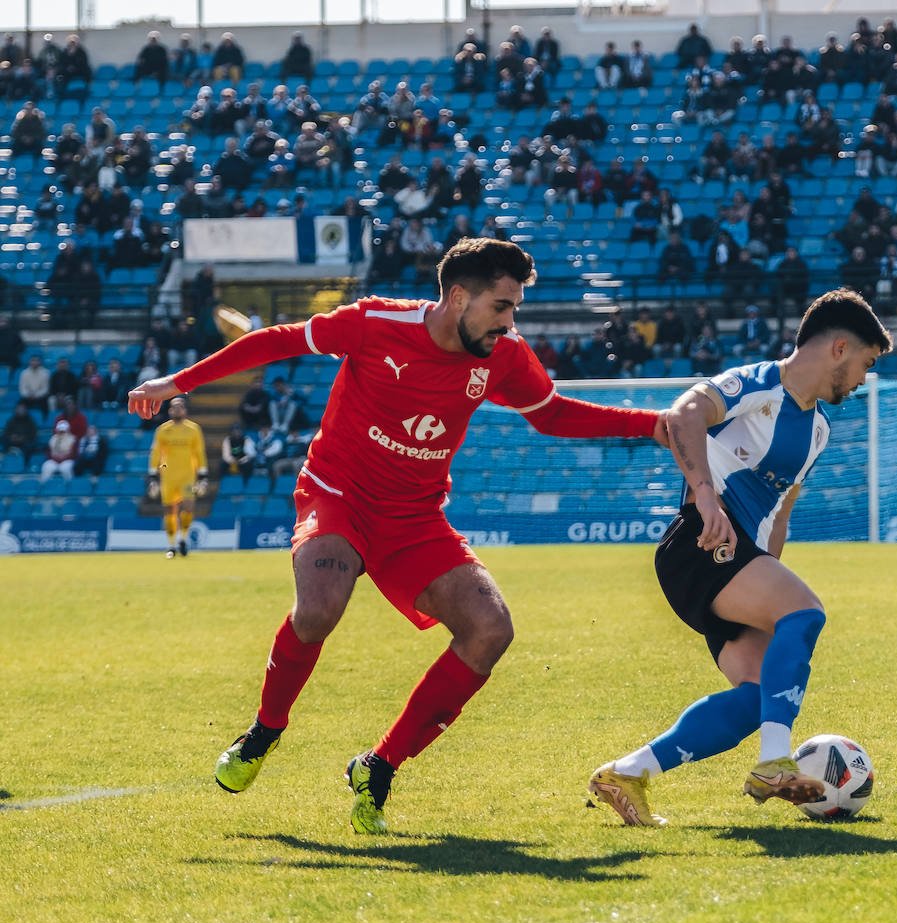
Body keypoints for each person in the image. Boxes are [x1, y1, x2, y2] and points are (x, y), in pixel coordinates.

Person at [126, 238, 668, 835]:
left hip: (414, 517)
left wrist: (655, 424)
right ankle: (265, 730)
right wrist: (176, 382)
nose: (510, 322)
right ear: (457, 297)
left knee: (491, 629)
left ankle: (378, 766)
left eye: (515, 308)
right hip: (339, 495)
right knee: (319, 610)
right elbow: (279, 340)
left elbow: (552, 413)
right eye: (500, 306)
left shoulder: (504, 355)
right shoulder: (375, 323)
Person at [587, 290, 893, 827]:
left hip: (738, 560)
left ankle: (628, 772)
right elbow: (684, 414)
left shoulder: (818, 429)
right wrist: (704, 496)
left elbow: (778, 515)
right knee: (807, 612)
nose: (864, 379)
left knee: (758, 697)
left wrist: (768, 582)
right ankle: (775, 763)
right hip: (700, 545)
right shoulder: (759, 383)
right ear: (840, 348)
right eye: (866, 364)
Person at [148, 395, 208, 558]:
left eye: (180, 406)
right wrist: (153, 474)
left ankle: (183, 538)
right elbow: (156, 453)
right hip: (168, 476)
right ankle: (171, 544)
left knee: (188, 507)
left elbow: (199, 452)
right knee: (170, 510)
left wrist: (203, 474)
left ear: (185, 410)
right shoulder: (163, 430)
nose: (177, 409)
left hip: (188, 475)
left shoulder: (193, 429)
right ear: (170, 410)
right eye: (174, 407)